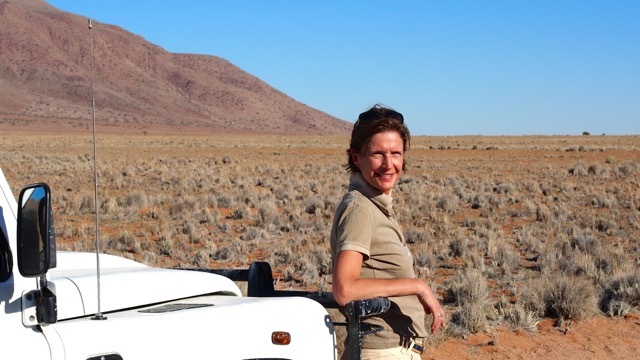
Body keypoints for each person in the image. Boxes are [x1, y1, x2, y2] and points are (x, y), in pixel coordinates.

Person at [330, 104, 445, 359]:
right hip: (382, 350)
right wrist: (418, 286)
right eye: (378, 154)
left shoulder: (375, 205)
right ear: (356, 158)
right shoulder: (360, 209)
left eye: (396, 153)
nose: (388, 164)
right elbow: (344, 289)